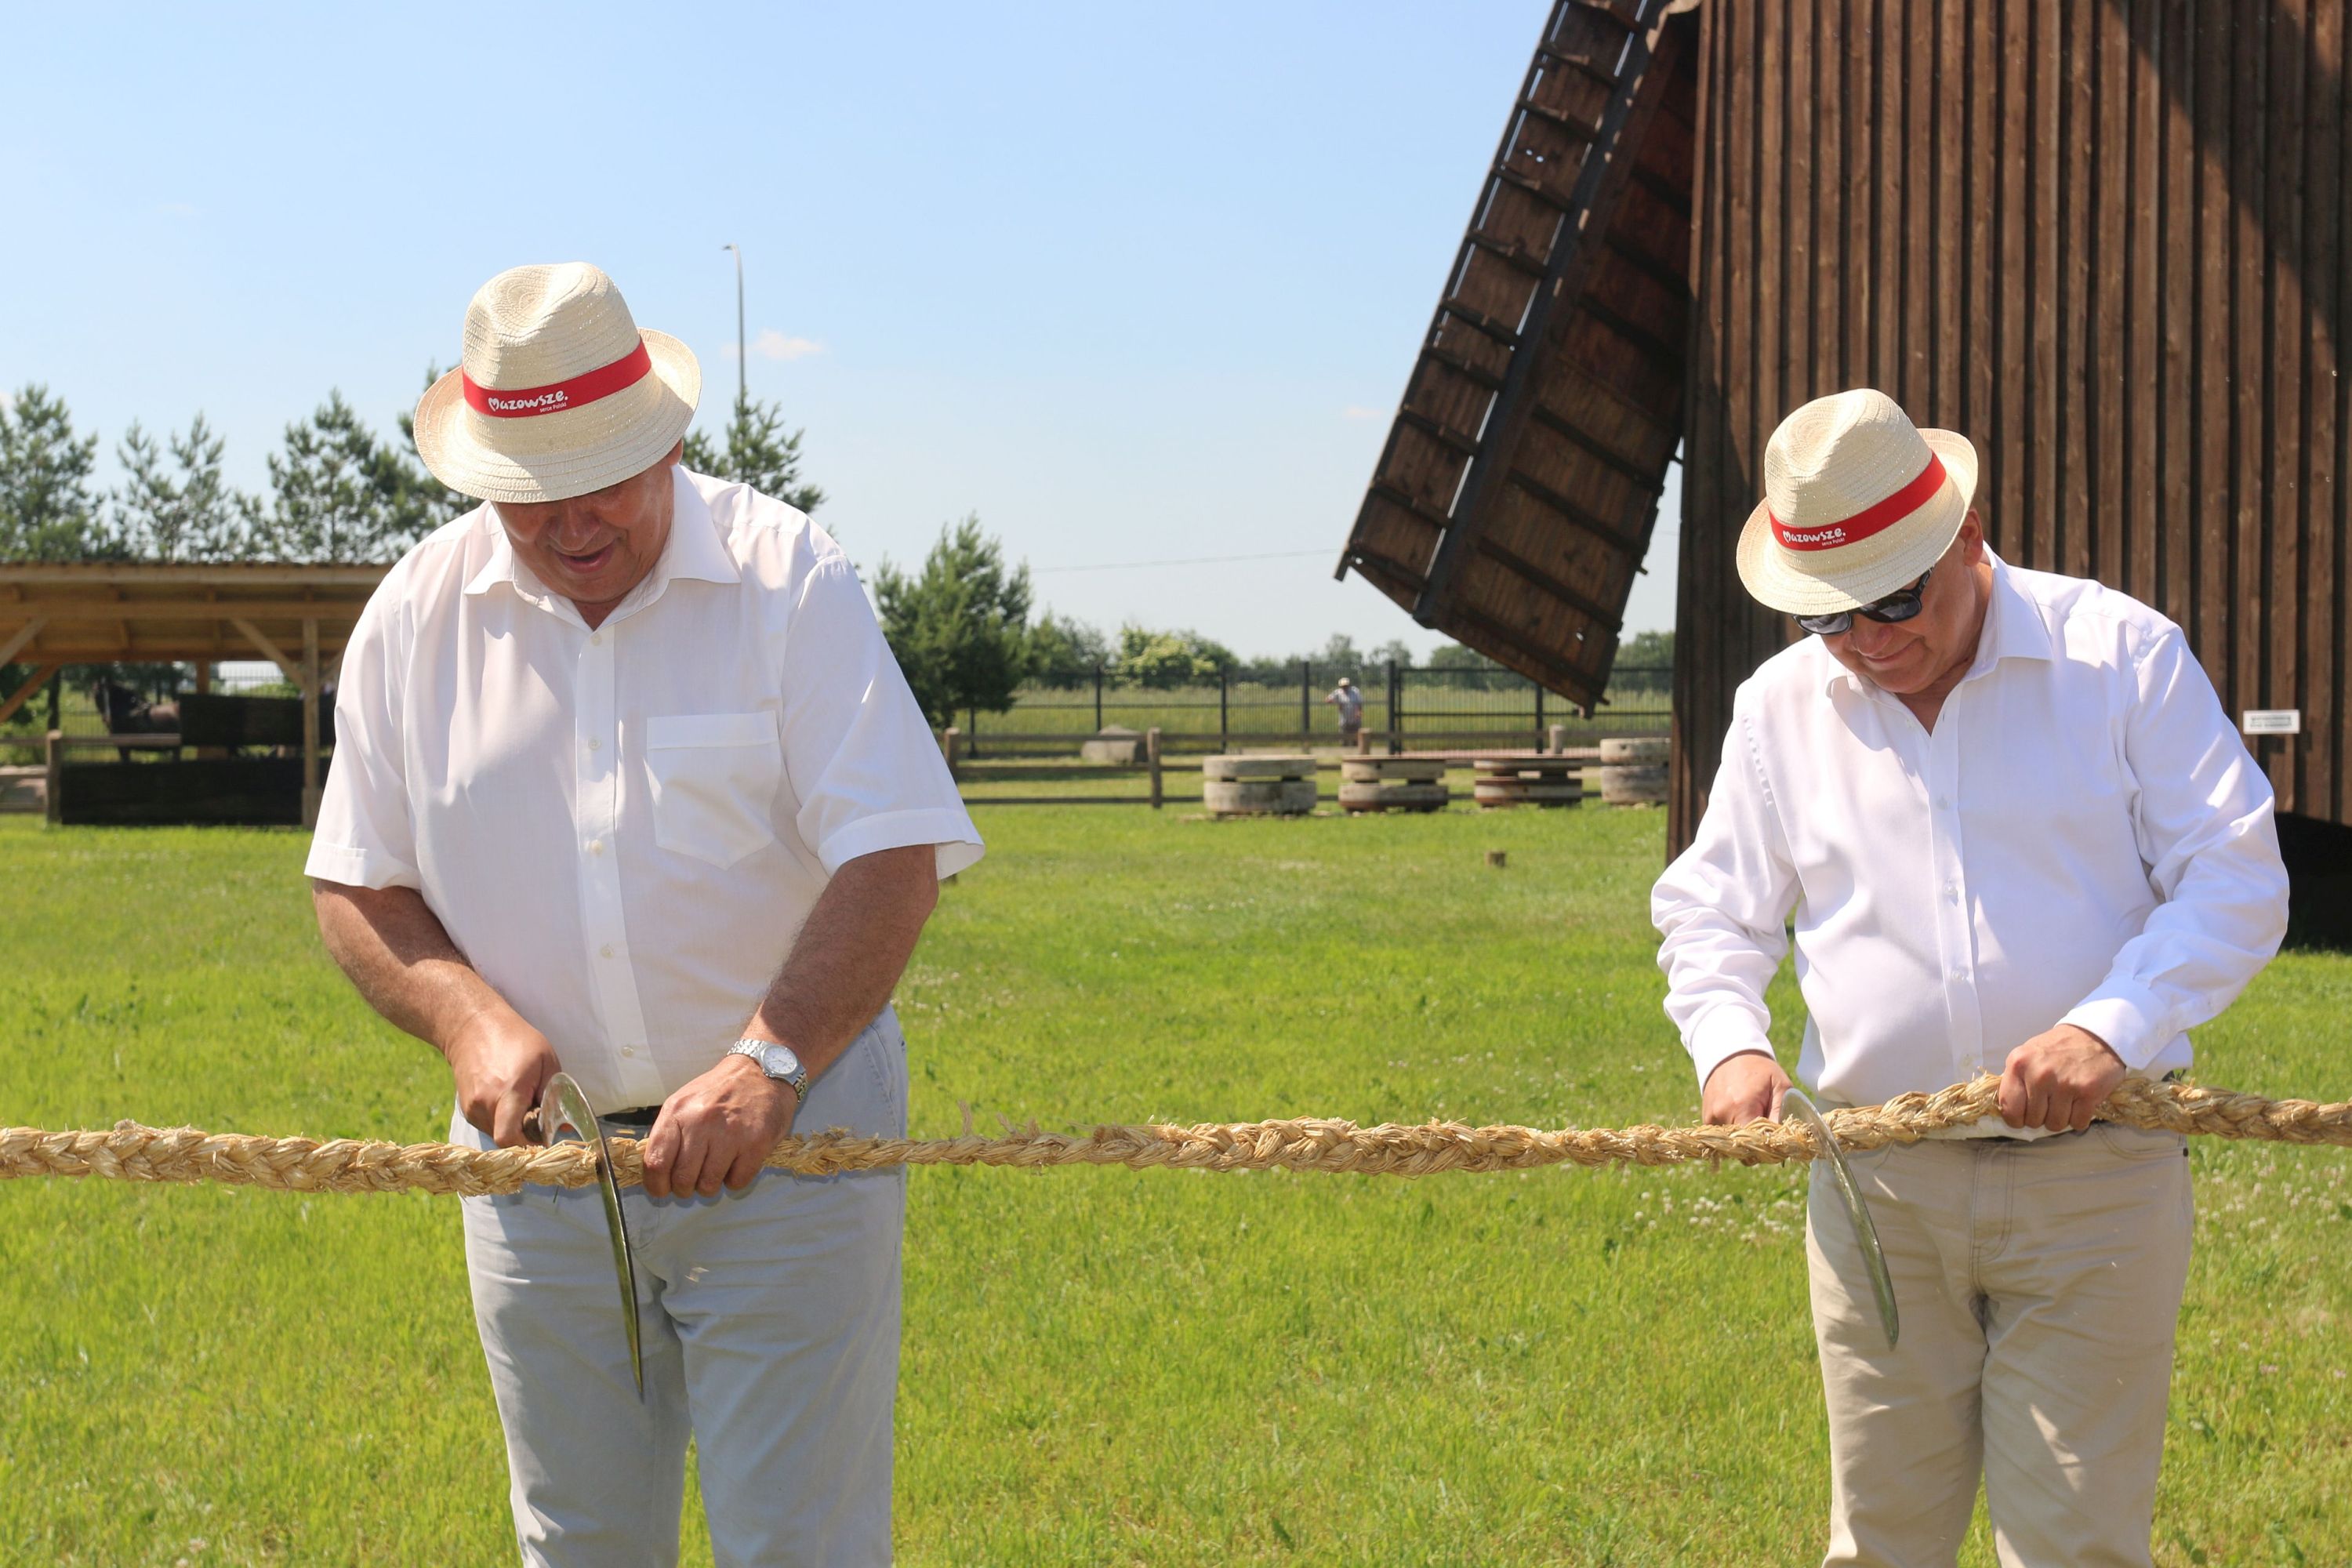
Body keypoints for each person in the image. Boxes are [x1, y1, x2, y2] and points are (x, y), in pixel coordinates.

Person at [307, 262, 982, 1566]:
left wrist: (767, 1063)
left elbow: (892, 852)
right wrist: (466, 1022)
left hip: (792, 1143)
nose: (573, 522)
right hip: (537, 1174)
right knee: (578, 1542)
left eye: (605, 474)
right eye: (532, 492)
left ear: (667, 435)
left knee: (801, 1544)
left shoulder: (793, 582)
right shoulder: (411, 624)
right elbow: (356, 878)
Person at [1651, 389, 2288, 1566]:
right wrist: (1731, 1042)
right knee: (1880, 1541)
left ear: (1969, 533)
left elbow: (2238, 876)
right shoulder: (1778, 710)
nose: (1870, 640)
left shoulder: (2121, 656)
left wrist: (2111, 1029)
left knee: (2076, 1547)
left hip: (2096, 1184)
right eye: (1829, 619)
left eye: (1897, 599)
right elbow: (1710, 909)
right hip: (1877, 1192)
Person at [1323, 674, 1364, 745]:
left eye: (1346, 685)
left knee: (1356, 738)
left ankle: (1355, 752)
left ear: (1349, 685)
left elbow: (1360, 702)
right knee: (1344, 738)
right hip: (1344, 719)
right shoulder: (1338, 692)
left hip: (1355, 719)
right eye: (1343, 686)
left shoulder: (1355, 691)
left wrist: (1359, 711)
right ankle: (1344, 752)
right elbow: (1327, 700)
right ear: (1340, 686)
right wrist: (1337, 703)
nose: (1345, 687)